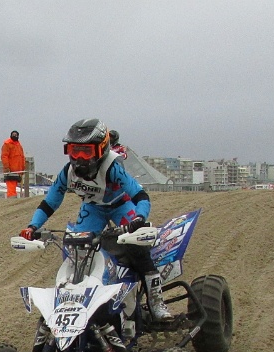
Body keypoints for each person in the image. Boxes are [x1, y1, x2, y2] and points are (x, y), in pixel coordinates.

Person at [19, 118, 173, 338]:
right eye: (74, 151)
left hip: (120, 206)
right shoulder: (67, 173)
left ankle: (157, 302)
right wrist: (33, 226)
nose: (79, 158)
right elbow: (50, 202)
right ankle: (79, 306)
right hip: (93, 208)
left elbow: (141, 196)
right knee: (77, 253)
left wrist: (139, 218)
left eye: (86, 151)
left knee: (138, 248)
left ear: (101, 149)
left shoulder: (112, 168)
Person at [1, 130, 25, 198]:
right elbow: (4, 156)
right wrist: (6, 168)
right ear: (11, 135)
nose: (15, 136)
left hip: (18, 170)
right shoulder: (7, 144)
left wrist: (22, 169)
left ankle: (13, 200)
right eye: (13, 135)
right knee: (11, 189)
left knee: (14, 187)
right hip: (10, 170)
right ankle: (11, 202)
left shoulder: (19, 145)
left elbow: (22, 157)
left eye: (16, 135)